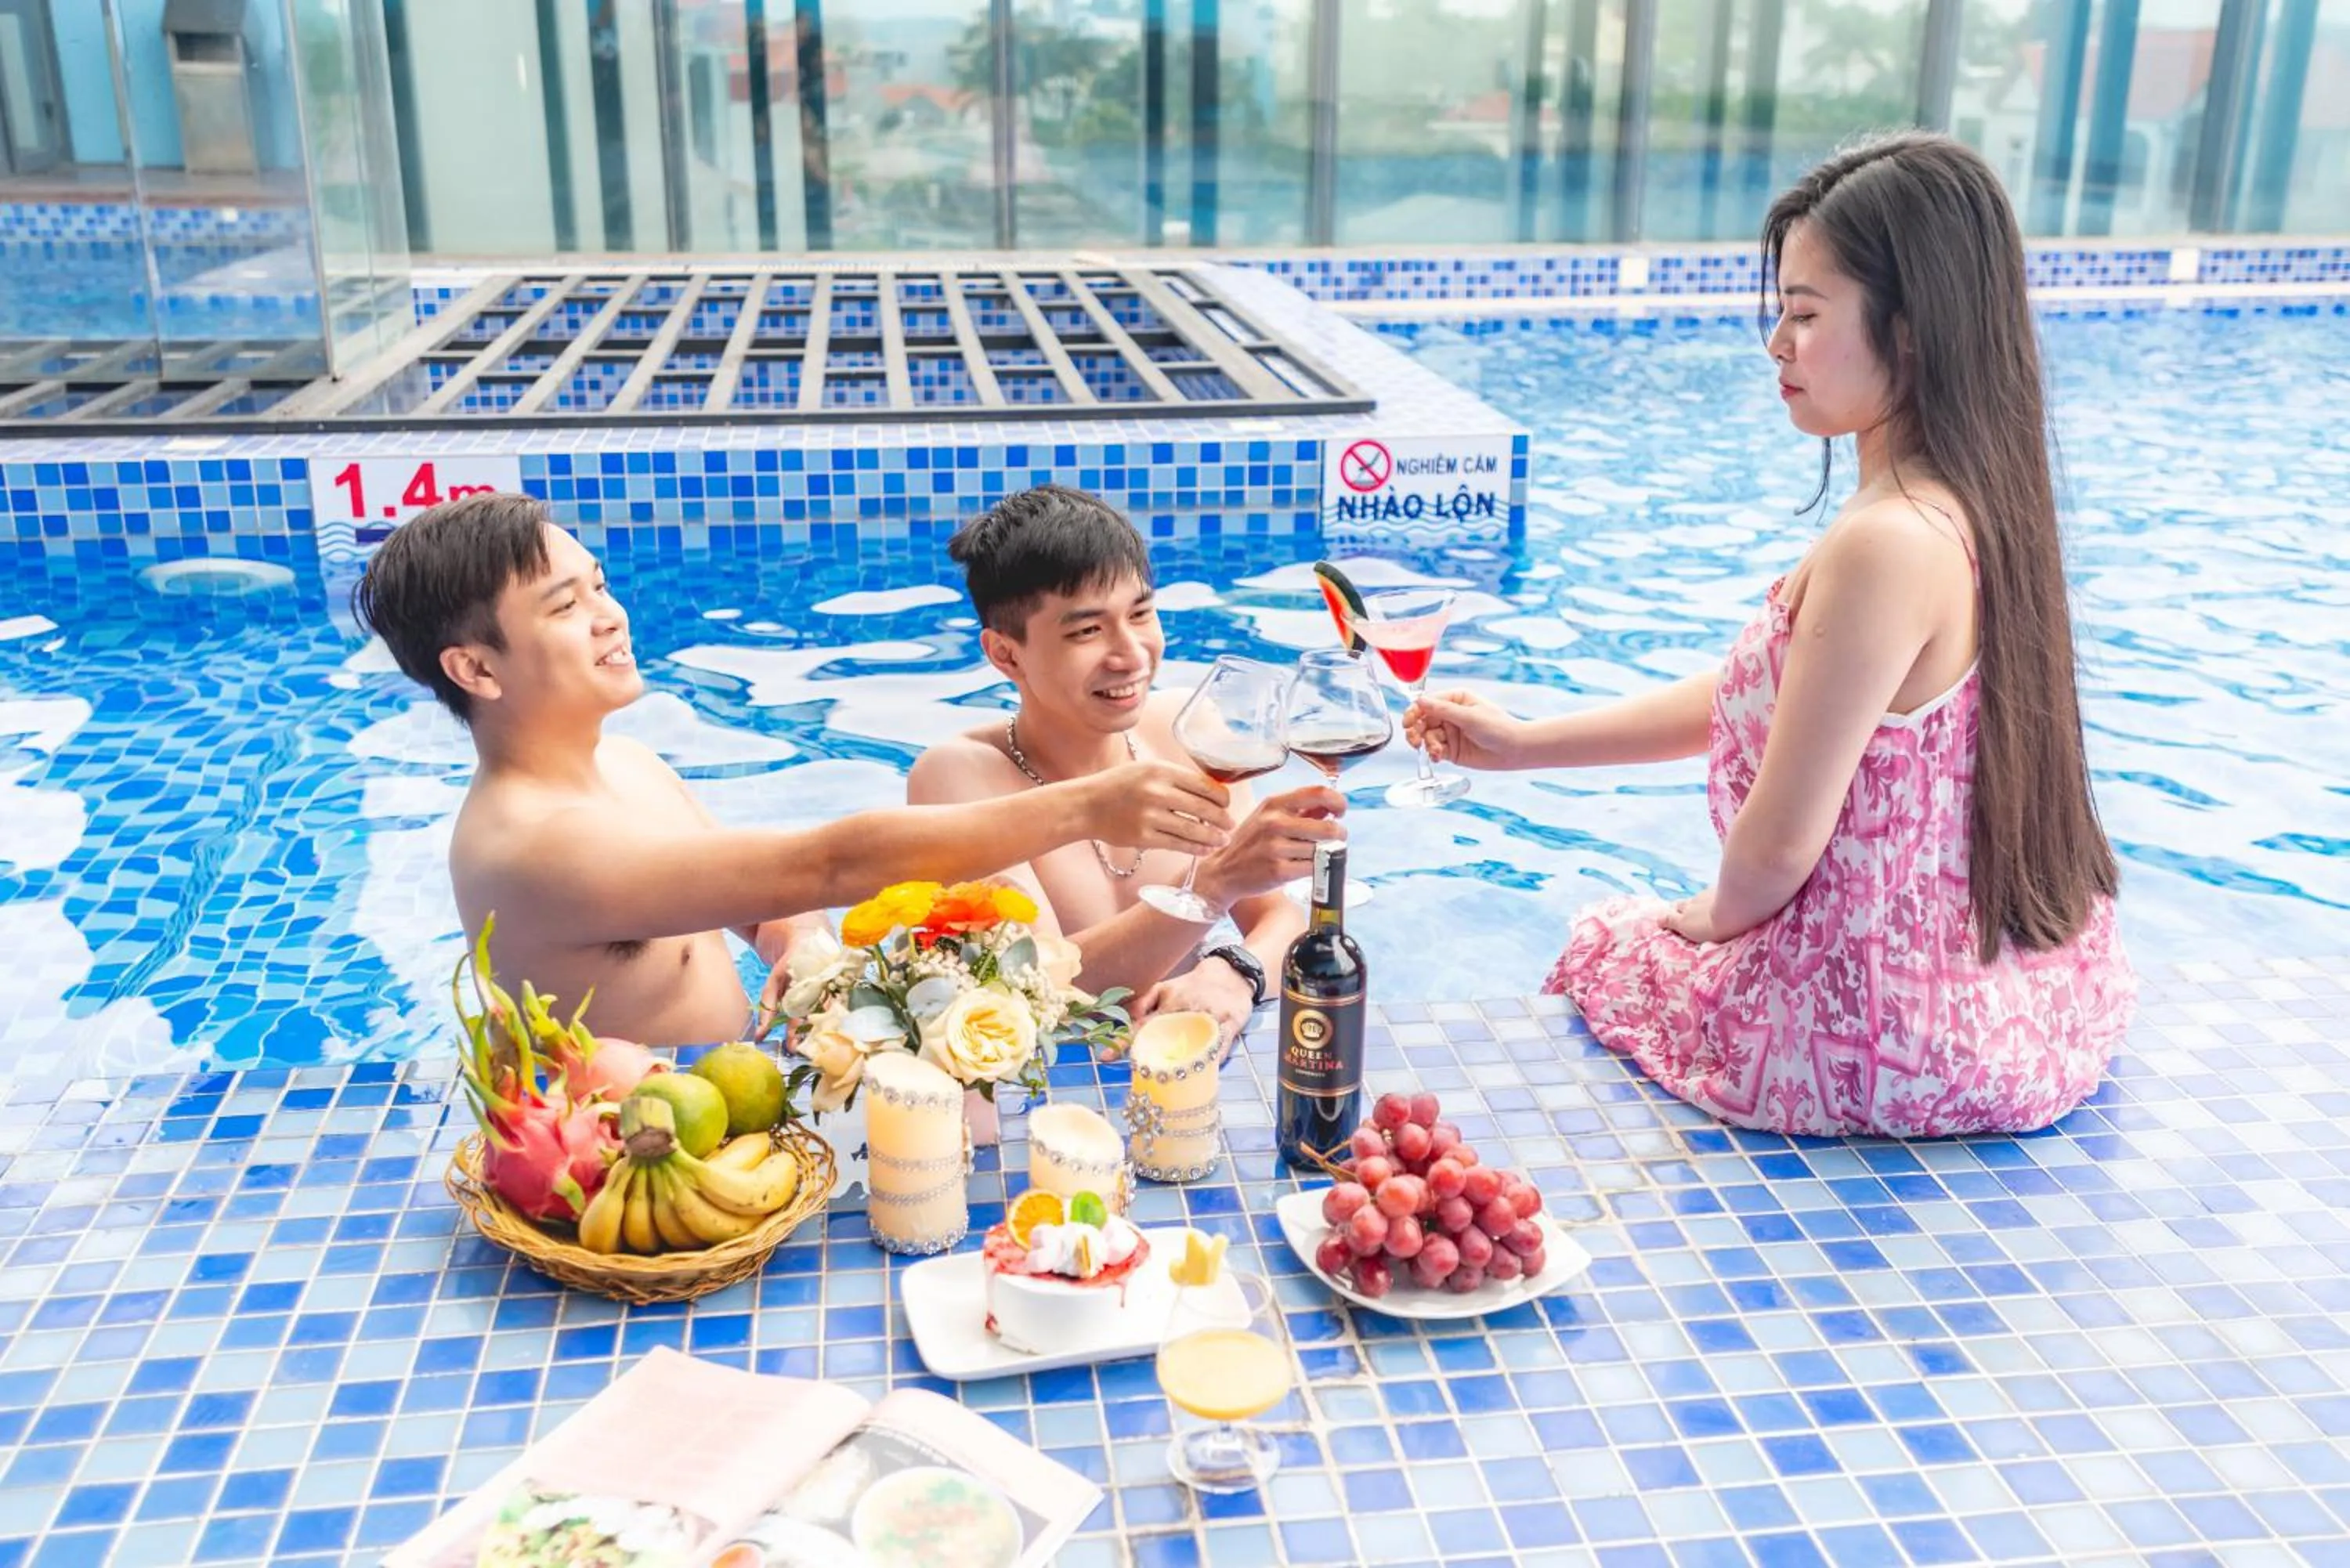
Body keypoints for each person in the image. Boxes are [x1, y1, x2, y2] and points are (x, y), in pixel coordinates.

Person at [1407, 132, 2136, 1138]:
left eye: (1804, 313)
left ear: (1914, 329)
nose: (1777, 345)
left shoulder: (1885, 542)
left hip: (1877, 1036)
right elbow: (1782, 698)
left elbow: (1780, 844)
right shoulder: (1977, 507)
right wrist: (1531, 743)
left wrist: (1709, 918)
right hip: (2003, 997)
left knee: (1601, 940)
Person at [352, 493, 1233, 1047]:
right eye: (566, 605)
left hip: (736, 1096)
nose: (610, 616)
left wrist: (794, 941)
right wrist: (1089, 806)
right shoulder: (532, 845)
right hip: (640, 1155)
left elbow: (766, 898)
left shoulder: (625, 763)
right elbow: (827, 864)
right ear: (475, 669)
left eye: (598, 584)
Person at [909, 486, 1345, 1054]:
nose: (1132, 654)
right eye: (1087, 631)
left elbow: (1280, 918)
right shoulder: (960, 778)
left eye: (1140, 614)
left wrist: (1233, 970)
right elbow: (1032, 989)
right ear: (1006, 654)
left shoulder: (1182, 730)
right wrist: (1213, 888)